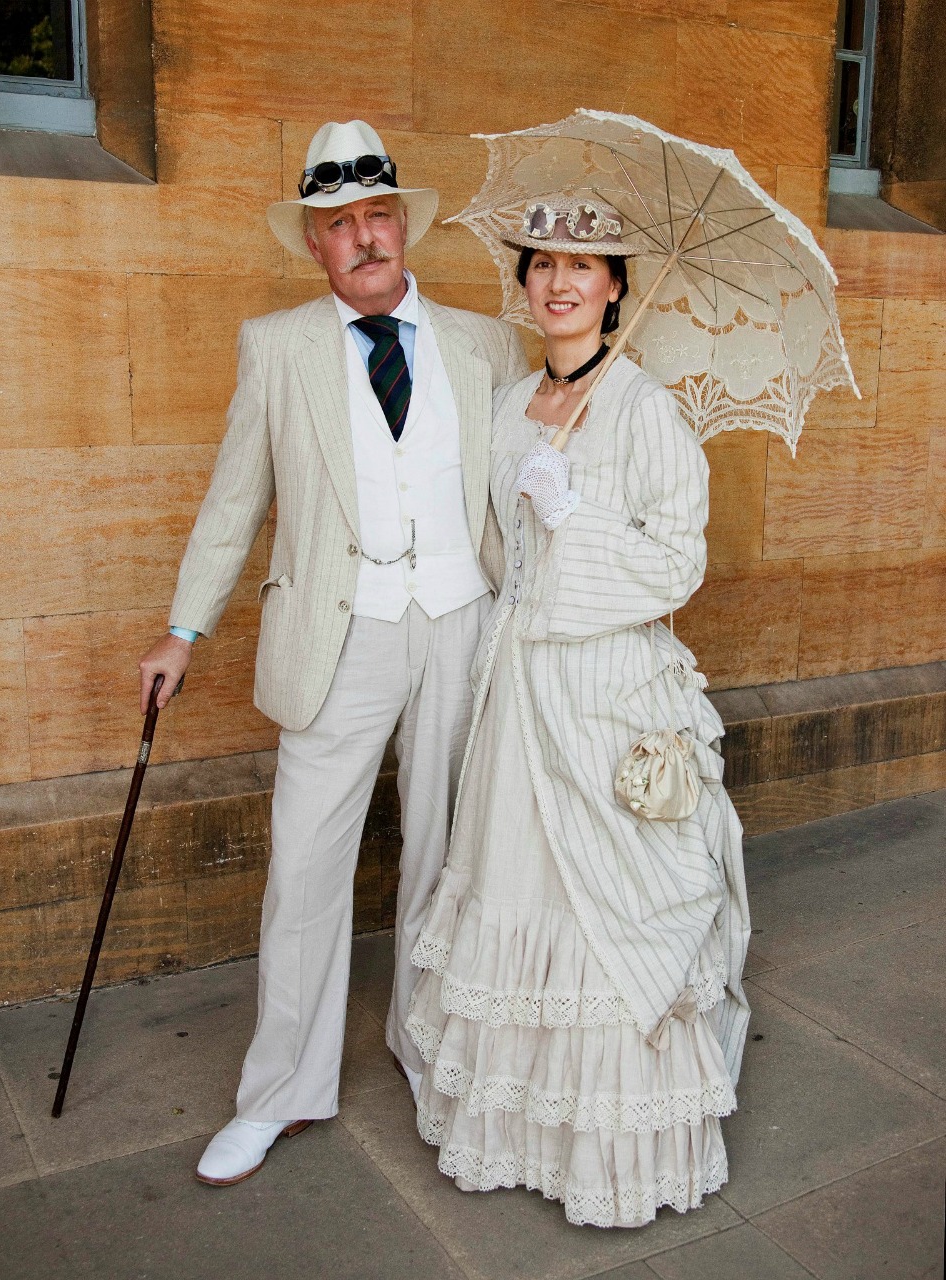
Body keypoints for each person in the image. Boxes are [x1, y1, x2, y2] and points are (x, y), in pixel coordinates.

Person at [138, 120, 528, 1186]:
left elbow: (518, 484)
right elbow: (234, 499)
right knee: (304, 867)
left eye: (375, 217)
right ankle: (279, 1094)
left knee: (447, 853)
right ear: (312, 244)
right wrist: (185, 627)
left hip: (461, 619)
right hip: (337, 633)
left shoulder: (484, 344)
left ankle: (426, 1046)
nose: (361, 238)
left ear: (404, 227)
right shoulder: (277, 347)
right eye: (336, 223)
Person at [405, 191, 751, 1228]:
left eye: (584, 265)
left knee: (605, 909)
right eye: (541, 263)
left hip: (606, 692)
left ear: (613, 289)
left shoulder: (647, 408)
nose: (559, 282)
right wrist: (532, 541)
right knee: (521, 881)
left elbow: (677, 560)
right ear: (522, 284)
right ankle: (522, 1129)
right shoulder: (514, 406)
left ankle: (610, 1147)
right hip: (520, 691)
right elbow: (503, 562)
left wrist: (580, 515)